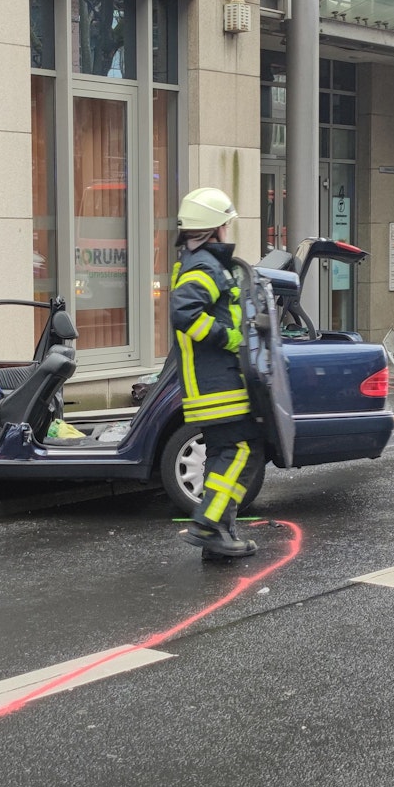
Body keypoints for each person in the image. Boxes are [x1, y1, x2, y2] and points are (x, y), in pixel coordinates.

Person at [170, 187, 263, 558]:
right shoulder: (206, 265)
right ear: (215, 228)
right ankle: (208, 524)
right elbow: (184, 313)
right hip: (217, 384)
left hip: (211, 383)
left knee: (228, 453)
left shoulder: (198, 261)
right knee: (243, 449)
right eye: (226, 223)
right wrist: (230, 337)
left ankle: (220, 533)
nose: (228, 229)